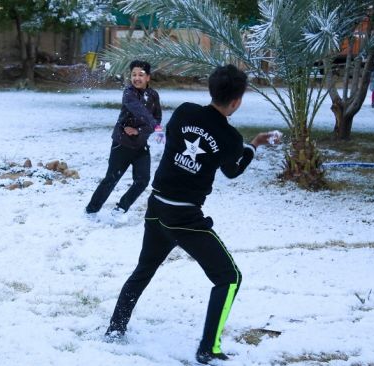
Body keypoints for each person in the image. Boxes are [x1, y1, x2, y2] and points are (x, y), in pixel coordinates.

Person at [104, 64, 279, 364]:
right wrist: (253, 145)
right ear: (236, 101)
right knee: (229, 277)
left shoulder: (184, 111)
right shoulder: (230, 138)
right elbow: (232, 170)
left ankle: (115, 329)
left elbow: (174, 139)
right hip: (185, 218)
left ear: (211, 89)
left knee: (143, 271)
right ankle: (208, 348)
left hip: (156, 207)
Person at [86, 60, 162, 214]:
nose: (136, 78)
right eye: (133, 75)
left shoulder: (153, 95)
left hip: (141, 145)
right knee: (111, 179)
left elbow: (157, 118)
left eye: (141, 75)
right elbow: (140, 111)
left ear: (148, 77)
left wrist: (140, 130)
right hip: (122, 144)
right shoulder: (129, 93)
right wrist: (155, 127)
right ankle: (91, 210)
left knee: (142, 181)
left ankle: (121, 208)